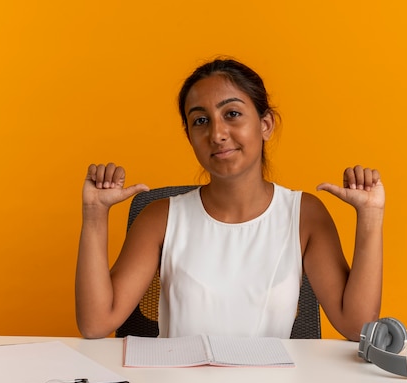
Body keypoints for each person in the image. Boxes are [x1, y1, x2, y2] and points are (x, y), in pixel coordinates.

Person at [75, 58, 384, 341]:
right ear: (190, 137)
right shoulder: (160, 218)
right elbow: (96, 323)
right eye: (200, 121)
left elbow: (357, 327)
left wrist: (370, 217)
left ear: (265, 125)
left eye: (232, 114)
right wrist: (94, 214)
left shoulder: (303, 215)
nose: (217, 133)